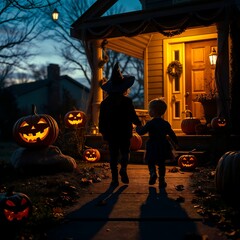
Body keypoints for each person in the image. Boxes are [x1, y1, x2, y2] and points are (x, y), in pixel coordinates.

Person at [99, 62, 142, 187]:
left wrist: (103, 132)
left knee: (113, 155)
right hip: (124, 131)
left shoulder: (105, 103)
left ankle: (114, 179)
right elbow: (132, 115)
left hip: (111, 133)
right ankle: (123, 168)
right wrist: (139, 123)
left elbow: (101, 119)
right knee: (125, 152)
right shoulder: (127, 101)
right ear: (124, 88)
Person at [136, 98, 178, 188]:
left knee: (151, 161)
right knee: (161, 163)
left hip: (152, 145)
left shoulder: (150, 123)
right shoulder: (165, 123)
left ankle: (152, 173)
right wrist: (176, 143)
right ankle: (162, 180)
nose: (148, 111)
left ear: (154, 111)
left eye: (149, 110)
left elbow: (141, 132)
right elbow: (172, 134)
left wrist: (137, 127)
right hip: (163, 145)